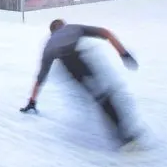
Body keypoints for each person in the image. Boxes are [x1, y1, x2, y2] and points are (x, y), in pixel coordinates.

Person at [19, 19, 140, 150]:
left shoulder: (49, 44)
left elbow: (41, 77)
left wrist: (32, 101)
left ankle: (120, 131)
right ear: (62, 26)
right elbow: (106, 33)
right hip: (80, 59)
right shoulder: (73, 28)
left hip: (71, 67)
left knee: (99, 95)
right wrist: (124, 53)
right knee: (103, 95)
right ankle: (123, 136)